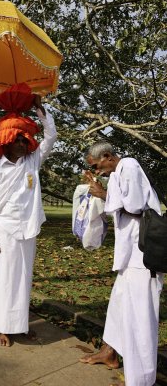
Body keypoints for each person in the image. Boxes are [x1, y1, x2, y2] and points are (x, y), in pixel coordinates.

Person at [79, 141, 163, 386]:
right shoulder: (118, 173)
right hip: (130, 258)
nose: (97, 171)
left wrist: (102, 193)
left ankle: (141, 380)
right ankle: (110, 353)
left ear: (107, 156)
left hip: (144, 258)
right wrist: (100, 188)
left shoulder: (129, 166)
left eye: (96, 166)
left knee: (141, 318)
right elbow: (122, 204)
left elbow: (135, 206)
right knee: (118, 308)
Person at [0, 90, 57, 347]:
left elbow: (51, 136)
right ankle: (3, 328)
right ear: (6, 142)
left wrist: (39, 109)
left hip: (29, 228)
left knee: (23, 278)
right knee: (5, 279)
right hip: (4, 230)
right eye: (18, 141)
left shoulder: (32, 162)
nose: (24, 145)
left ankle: (20, 326)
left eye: (26, 141)